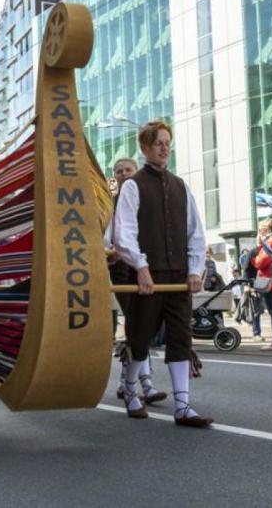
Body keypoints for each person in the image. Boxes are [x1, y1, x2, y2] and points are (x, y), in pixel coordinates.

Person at [113, 120, 211, 427]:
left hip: (179, 277)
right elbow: (123, 234)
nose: (165, 147)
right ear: (145, 148)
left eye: (168, 142)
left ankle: (182, 406)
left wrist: (195, 269)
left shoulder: (181, 186)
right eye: (158, 143)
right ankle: (130, 391)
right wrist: (140, 266)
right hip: (148, 276)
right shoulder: (133, 185)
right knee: (140, 337)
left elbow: (196, 232)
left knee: (180, 338)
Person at [105, 157, 167, 405]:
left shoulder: (146, 196)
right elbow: (107, 236)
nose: (123, 174)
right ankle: (145, 385)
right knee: (140, 324)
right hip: (124, 271)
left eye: (127, 170)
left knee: (143, 327)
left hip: (149, 267)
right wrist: (111, 250)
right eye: (118, 171)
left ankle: (126, 382)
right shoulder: (111, 203)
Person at [248, 219, 272, 349]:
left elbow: (260, 263)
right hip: (270, 280)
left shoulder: (271, 242)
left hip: (267, 279)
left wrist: (254, 256)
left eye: (261, 230)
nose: (260, 233)